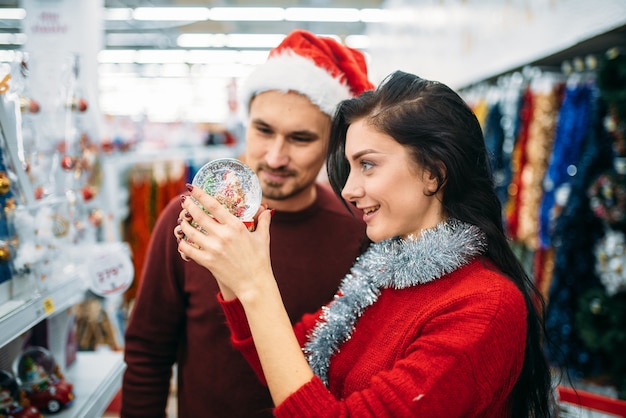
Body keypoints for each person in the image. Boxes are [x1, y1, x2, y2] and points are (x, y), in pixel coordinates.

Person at [176, 70, 557, 417]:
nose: (349, 189)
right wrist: (227, 268)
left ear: (433, 173)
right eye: (349, 166)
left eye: (368, 165)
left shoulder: (486, 306)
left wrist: (255, 282)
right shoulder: (380, 276)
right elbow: (285, 361)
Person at [121, 29, 374, 418]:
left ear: (332, 146)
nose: (274, 157)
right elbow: (148, 353)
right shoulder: (187, 217)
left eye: (301, 138)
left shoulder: (357, 231)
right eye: (263, 130)